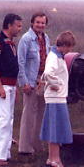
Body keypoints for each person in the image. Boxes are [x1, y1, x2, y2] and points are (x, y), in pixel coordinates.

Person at [0, 13, 23, 165]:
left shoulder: (11, 43)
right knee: (3, 118)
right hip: (1, 84)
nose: (20, 29)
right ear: (9, 25)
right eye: (18, 26)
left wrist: (13, 86)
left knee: (9, 119)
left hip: (10, 84)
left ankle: (5, 152)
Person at [40, 31, 76, 167]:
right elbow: (48, 73)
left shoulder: (58, 56)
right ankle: (56, 159)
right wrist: (55, 84)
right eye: (69, 47)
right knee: (56, 129)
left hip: (57, 97)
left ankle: (51, 158)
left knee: (54, 128)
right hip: (56, 98)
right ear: (64, 45)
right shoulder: (54, 56)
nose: (70, 50)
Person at [17, 12, 51, 159]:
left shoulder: (46, 38)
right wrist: (24, 82)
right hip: (30, 80)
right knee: (29, 113)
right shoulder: (26, 39)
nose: (40, 25)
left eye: (43, 23)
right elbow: (21, 62)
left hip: (42, 80)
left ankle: (37, 145)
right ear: (32, 23)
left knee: (41, 113)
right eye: (38, 22)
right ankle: (25, 148)